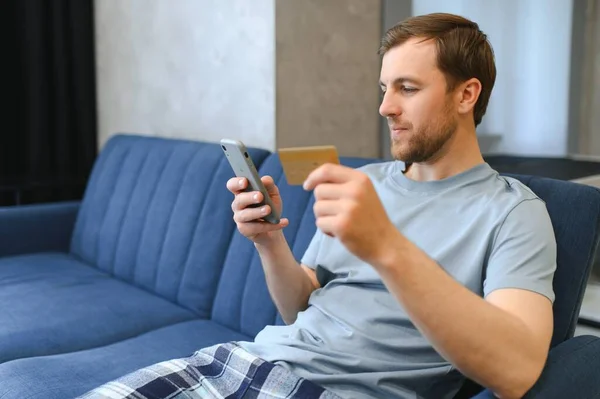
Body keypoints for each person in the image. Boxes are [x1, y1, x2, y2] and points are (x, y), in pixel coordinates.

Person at [81, 12, 556, 399]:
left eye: (407, 89)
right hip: (244, 362)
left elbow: (516, 371)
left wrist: (386, 246)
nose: (385, 107)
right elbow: (298, 308)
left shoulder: (514, 213)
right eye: (383, 89)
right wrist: (269, 242)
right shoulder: (364, 182)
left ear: (466, 95)